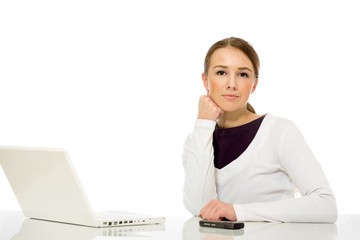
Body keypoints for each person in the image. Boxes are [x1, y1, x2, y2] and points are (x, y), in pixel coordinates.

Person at [182, 37, 338, 223]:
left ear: (254, 84)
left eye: (243, 74)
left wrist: (237, 212)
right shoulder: (197, 139)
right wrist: (204, 123)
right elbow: (201, 208)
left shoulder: (279, 131)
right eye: (221, 72)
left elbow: (325, 206)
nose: (232, 83)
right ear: (205, 80)